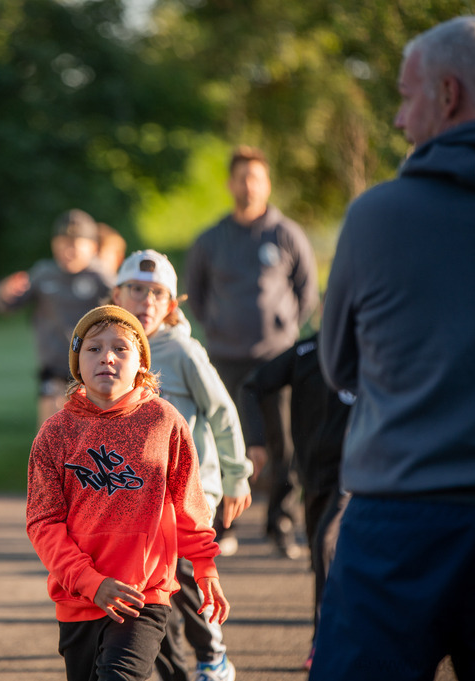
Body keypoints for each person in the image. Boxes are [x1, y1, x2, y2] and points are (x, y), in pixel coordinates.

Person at [315, 16, 475, 679]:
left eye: (406, 97)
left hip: (397, 524)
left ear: (448, 93)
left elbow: (339, 365)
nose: (400, 119)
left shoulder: (375, 216)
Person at [26, 304, 230, 681]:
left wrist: (205, 567)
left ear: (141, 363)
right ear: (77, 362)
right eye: (94, 348)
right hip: (78, 599)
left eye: (121, 348)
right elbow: (43, 524)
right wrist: (91, 583)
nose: (107, 357)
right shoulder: (55, 433)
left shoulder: (164, 421)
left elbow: (189, 504)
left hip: (144, 597)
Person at [110, 250, 251, 681]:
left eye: (158, 294)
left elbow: (222, 413)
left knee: (187, 574)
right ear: (116, 294)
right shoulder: (113, 352)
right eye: (136, 289)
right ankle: (173, 671)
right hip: (140, 496)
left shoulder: (183, 351)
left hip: (190, 492)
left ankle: (213, 657)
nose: (146, 301)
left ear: (172, 304)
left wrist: (237, 476)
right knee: (152, 587)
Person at [185, 146, 319, 559]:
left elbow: (307, 291)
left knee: (284, 446)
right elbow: (196, 294)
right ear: (230, 184)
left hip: (276, 359)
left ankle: (281, 525)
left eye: (256, 178)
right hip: (224, 359)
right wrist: (220, 327)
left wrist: (282, 327)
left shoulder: (287, 234)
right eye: (242, 178)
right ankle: (224, 525)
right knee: (221, 442)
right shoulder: (211, 239)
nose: (249, 186)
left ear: (267, 184)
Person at [238, 333, 352, 670]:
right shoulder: (306, 352)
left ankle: (324, 642)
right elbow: (252, 386)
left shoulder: (374, 350)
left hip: (355, 474)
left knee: (324, 543)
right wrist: (256, 441)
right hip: (312, 474)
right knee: (322, 558)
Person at [0, 209, 115, 425]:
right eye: (62, 243)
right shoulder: (43, 274)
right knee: (50, 429)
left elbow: (125, 308)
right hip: (54, 369)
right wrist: (2, 291)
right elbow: (6, 306)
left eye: (75, 244)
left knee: (90, 433)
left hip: (91, 371)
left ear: (93, 247)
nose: (68, 250)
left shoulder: (101, 278)